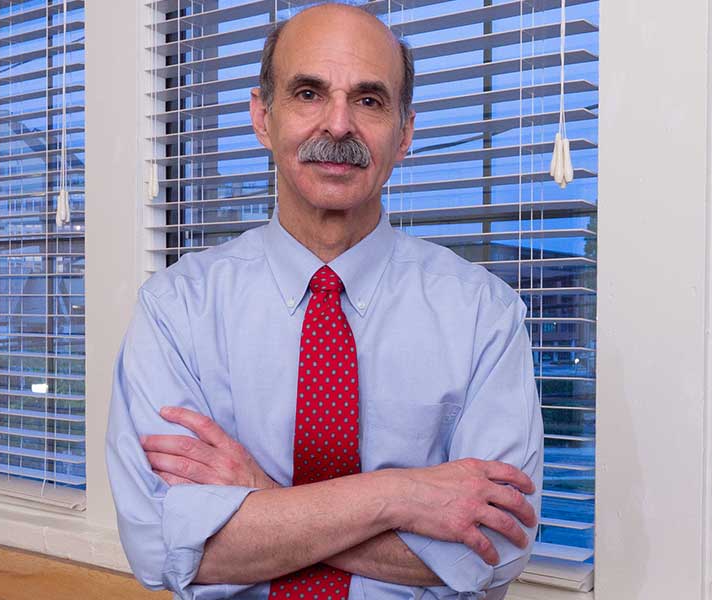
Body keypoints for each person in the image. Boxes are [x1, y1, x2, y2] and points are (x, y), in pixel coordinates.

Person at [107, 4, 543, 599]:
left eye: (368, 100)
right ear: (264, 116)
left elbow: (493, 549)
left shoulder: (483, 316)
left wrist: (262, 501)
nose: (338, 126)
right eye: (309, 92)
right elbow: (162, 544)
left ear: (405, 133)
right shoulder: (177, 310)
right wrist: (403, 496)